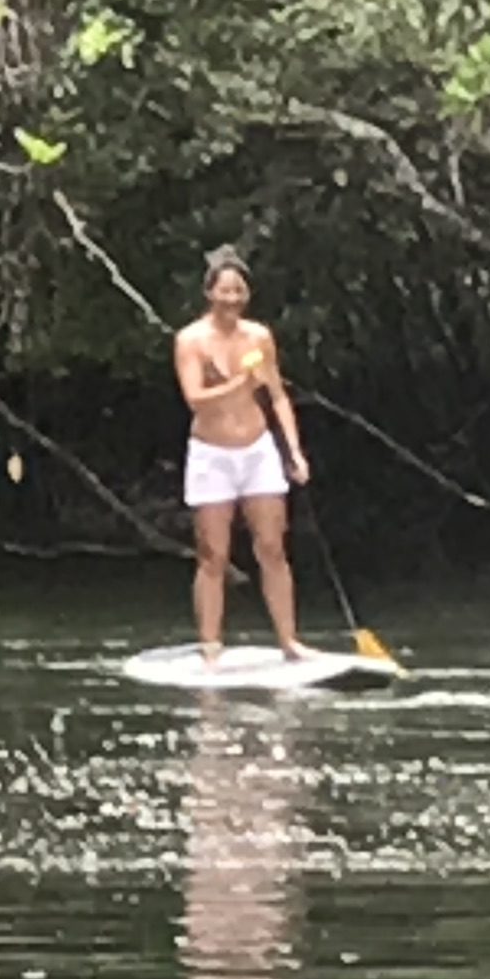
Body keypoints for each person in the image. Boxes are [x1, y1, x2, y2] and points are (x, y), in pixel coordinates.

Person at [172, 245, 310, 665]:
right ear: (210, 293)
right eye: (225, 290)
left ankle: (289, 641)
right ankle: (211, 643)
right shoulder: (191, 340)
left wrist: (294, 451)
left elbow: (278, 396)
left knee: (272, 547)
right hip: (211, 454)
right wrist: (239, 384)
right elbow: (196, 399)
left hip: (257, 449)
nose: (232, 298)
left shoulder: (259, 337)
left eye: (239, 291)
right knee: (213, 552)